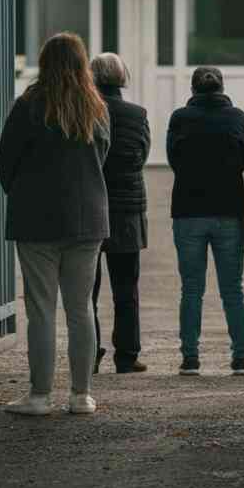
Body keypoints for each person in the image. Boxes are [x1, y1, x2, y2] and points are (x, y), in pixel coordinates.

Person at [0, 33, 111, 416]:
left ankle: (40, 395)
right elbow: (103, 156)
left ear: (44, 62)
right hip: (87, 218)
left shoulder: (29, 104)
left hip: (37, 218)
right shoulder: (97, 106)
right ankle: (82, 395)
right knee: (81, 310)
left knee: (41, 310)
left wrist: (23, 190)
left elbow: (5, 159)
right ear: (82, 64)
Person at [167, 66, 244, 376]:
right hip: (229, 209)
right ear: (221, 88)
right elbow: (242, 161)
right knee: (232, 289)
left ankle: (190, 358)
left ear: (193, 89)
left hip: (188, 209)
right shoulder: (237, 117)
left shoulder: (179, 118)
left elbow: (173, 160)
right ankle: (240, 357)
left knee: (191, 289)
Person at [90, 53, 151, 374]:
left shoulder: (86, 112)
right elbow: (141, 156)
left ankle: (90, 354)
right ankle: (127, 356)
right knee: (126, 288)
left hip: (89, 208)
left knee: (88, 289)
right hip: (127, 210)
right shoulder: (137, 114)